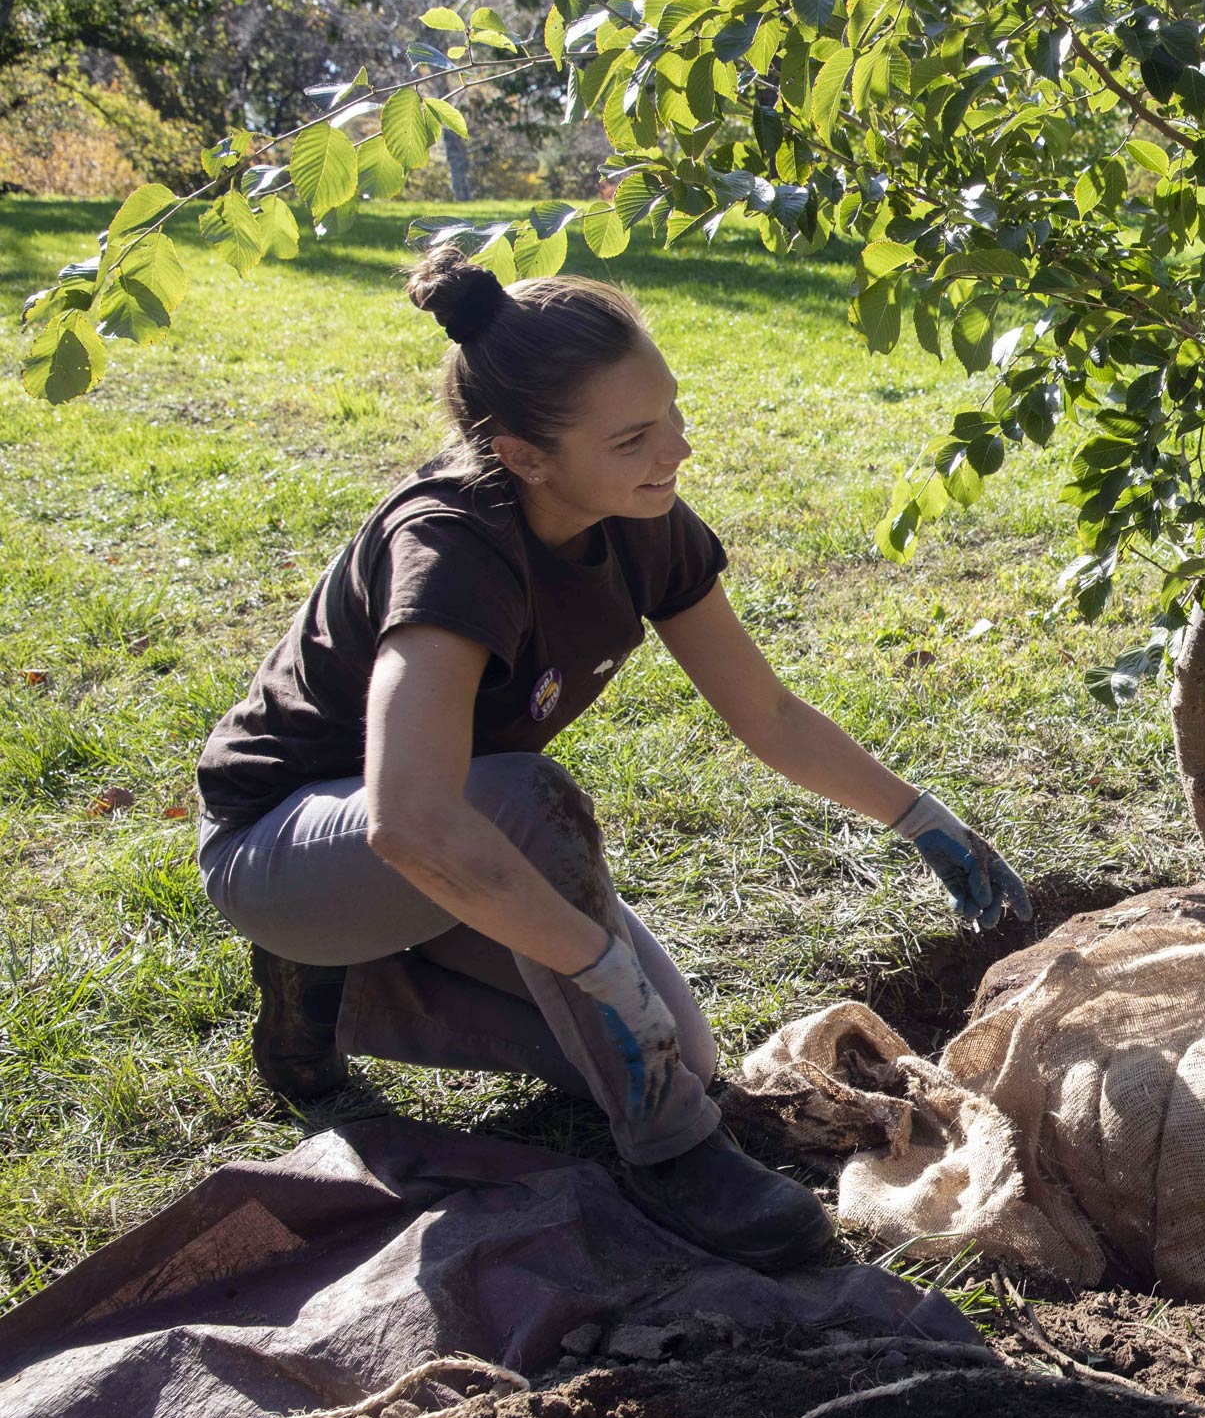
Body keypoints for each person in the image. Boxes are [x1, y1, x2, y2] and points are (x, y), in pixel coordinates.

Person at [194, 247, 1030, 1272]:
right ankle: (673, 1157)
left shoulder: (641, 521)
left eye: (670, 412)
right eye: (632, 436)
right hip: (286, 851)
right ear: (524, 453)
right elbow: (407, 815)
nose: (674, 448)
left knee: (680, 1044)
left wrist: (919, 816)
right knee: (535, 818)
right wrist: (596, 965)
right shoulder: (454, 544)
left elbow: (765, 709)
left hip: (454, 843)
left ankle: (339, 990)